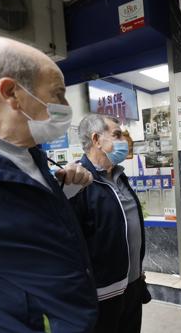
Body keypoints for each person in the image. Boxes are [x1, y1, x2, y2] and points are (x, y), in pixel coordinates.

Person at [0, 37, 97, 332]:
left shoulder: (31, 153)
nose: (65, 106)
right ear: (12, 93)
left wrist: (63, 193)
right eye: (58, 94)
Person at [70, 114, 151, 333]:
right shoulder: (78, 183)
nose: (124, 140)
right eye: (116, 135)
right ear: (96, 139)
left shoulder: (119, 176)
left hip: (133, 284)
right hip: (102, 295)